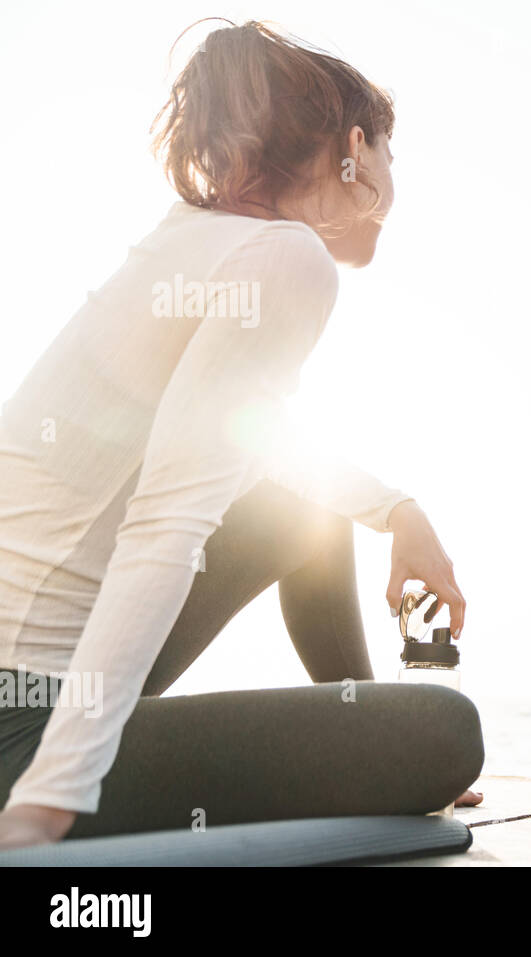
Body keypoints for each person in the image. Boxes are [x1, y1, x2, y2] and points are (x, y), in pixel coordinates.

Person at [0, 20, 483, 849]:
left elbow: (257, 440)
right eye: (391, 155)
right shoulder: (286, 258)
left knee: (302, 516)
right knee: (446, 733)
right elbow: (166, 524)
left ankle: (357, 715)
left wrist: (397, 509)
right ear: (357, 150)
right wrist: (45, 805)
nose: (393, 175)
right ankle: (371, 737)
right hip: (23, 733)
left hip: (39, 689)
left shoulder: (189, 239)